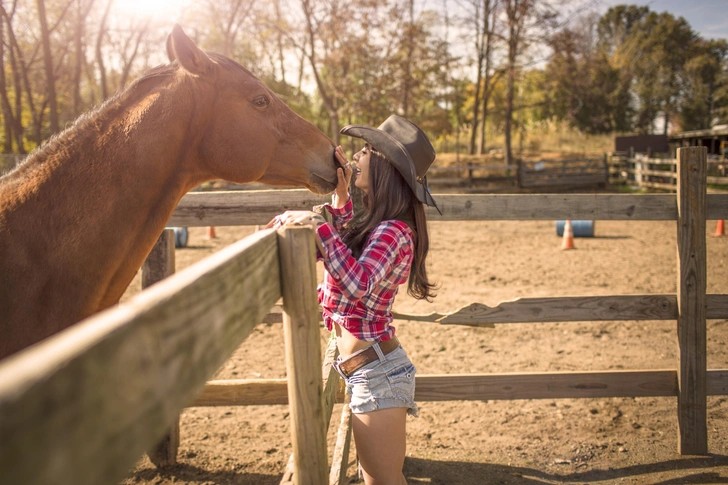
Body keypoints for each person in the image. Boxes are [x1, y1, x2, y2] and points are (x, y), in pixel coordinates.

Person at [269, 115, 439, 485]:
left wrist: (317, 225)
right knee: (376, 477)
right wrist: (340, 200)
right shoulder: (380, 224)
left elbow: (357, 282)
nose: (355, 156)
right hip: (367, 368)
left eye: (365, 151)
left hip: (378, 374)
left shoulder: (394, 231)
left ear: (384, 168)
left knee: (381, 480)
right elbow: (343, 249)